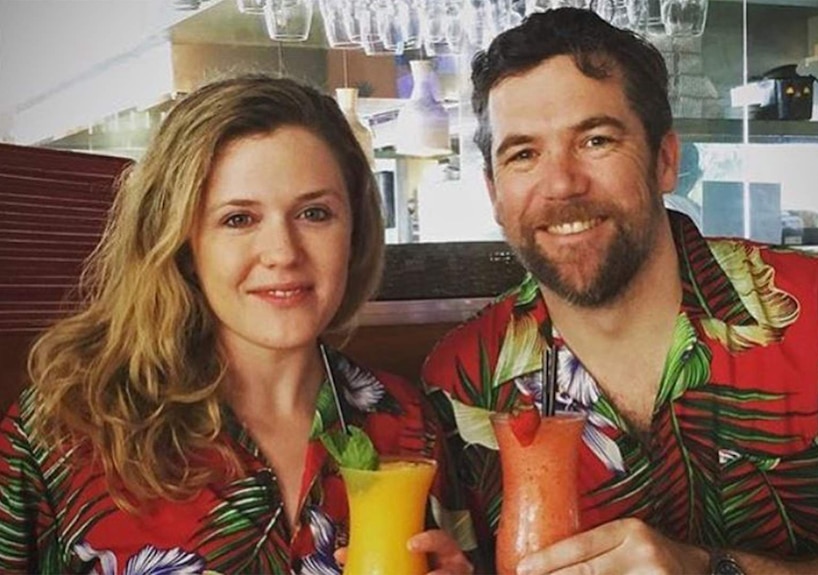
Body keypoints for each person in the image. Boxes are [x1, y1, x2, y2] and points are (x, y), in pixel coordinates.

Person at [422, 7, 818, 575]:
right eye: (524, 154)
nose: (561, 184)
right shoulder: (462, 381)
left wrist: (712, 569)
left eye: (596, 140)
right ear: (493, 191)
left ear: (665, 160)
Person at [0, 75, 474, 574]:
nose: (283, 253)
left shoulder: (409, 424)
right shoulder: (64, 428)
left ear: (354, 231)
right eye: (239, 219)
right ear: (182, 240)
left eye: (315, 213)